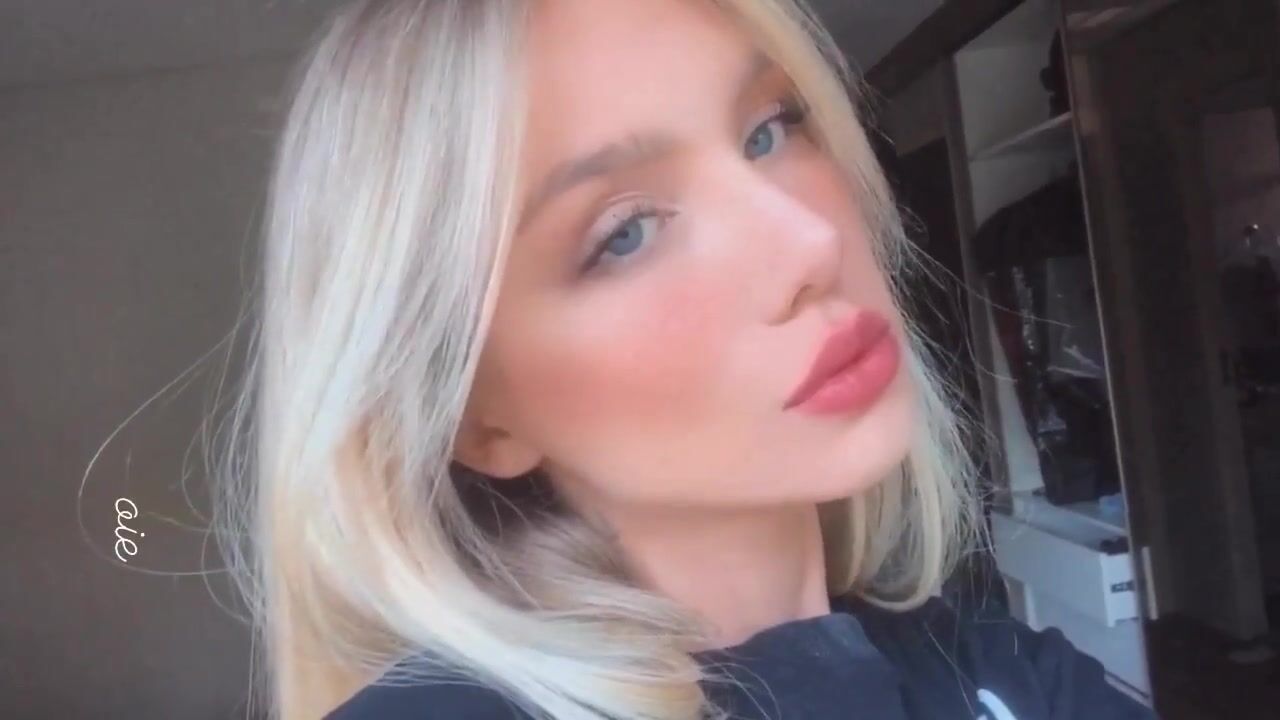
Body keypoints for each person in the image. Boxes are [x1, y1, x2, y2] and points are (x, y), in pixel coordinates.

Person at [216, 0, 1157, 718]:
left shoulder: (997, 667)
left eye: (768, 129)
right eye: (625, 234)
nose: (809, 242)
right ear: (477, 420)